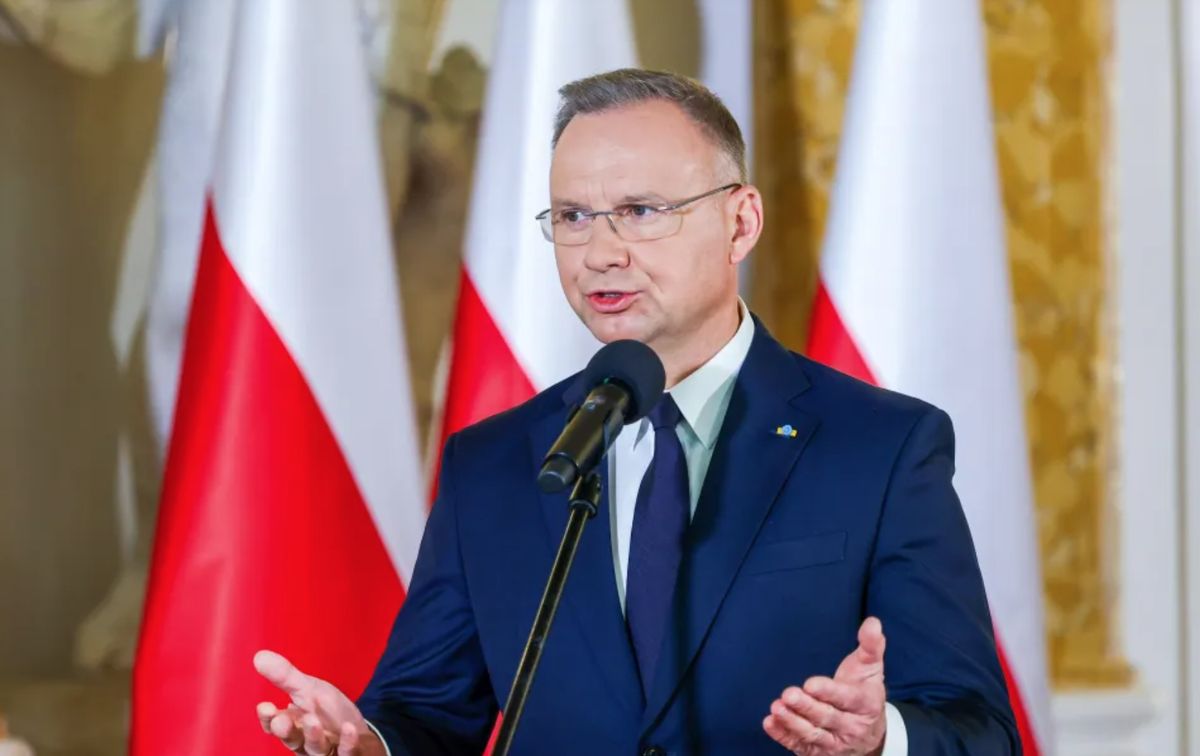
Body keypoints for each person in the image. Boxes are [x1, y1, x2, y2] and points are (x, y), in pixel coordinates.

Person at [253, 69, 1020, 756]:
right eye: (572, 217)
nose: (600, 253)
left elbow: (979, 731)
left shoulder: (880, 447)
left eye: (640, 210)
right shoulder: (494, 464)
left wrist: (881, 741)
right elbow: (427, 713)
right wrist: (370, 745)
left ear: (741, 223)